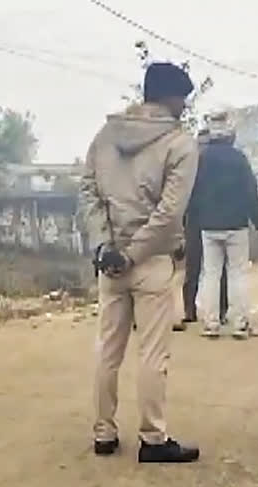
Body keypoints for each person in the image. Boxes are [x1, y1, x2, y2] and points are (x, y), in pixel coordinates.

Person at [81, 62, 201, 463]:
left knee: (107, 349)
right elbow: (169, 213)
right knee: (152, 353)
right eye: (182, 98)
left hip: (110, 261)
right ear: (170, 97)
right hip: (149, 261)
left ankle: (104, 432)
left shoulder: (105, 134)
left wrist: (104, 247)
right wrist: (134, 254)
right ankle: (153, 438)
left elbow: (89, 194)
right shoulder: (179, 144)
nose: (184, 106)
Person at [185, 112, 258, 339]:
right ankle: (239, 324)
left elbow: (192, 193)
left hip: (208, 226)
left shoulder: (200, 159)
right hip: (236, 225)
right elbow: (250, 191)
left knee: (211, 274)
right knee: (237, 273)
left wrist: (191, 220)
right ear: (230, 136)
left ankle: (211, 324)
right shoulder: (239, 159)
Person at [178, 128, 227, 329]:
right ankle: (190, 309)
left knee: (215, 267)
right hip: (196, 221)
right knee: (194, 267)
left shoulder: (214, 169)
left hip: (210, 220)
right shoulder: (189, 167)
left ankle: (220, 310)